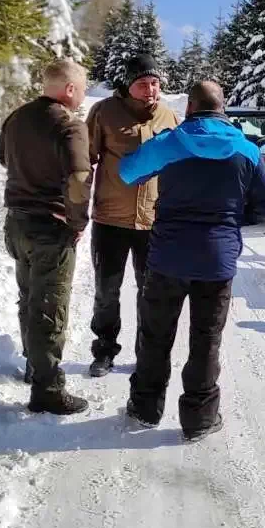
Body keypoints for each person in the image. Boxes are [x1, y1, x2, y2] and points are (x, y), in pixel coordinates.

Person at [118, 80, 265, 438]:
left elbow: (128, 172)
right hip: (216, 262)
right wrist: (233, 217)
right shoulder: (246, 149)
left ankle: (145, 408)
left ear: (189, 107)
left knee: (155, 334)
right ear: (223, 108)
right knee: (206, 340)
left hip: (167, 258)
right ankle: (199, 419)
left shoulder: (172, 141)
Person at [0, 59, 91, 415]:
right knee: (49, 306)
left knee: (29, 297)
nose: (82, 95)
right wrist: (78, 222)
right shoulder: (70, 126)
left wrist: (28, 168)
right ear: (69, 89)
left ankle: (34, 366)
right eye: (81, 88)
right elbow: (79, 179)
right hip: (50, 226)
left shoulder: (17, 118)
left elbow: (1, 155)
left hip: (17, 223)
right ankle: (47, 389)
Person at [86, 53, 179, 377]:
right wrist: (76, 208)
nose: (151, 90)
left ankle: (146, 354)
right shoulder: (104, 113)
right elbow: (86, 160)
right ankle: (104, 350)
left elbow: (177, 165)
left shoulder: (168, 116)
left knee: (150, 292)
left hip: (152, 221)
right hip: (110, 220)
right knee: (107, 290)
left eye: (155, 83)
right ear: (128, 85)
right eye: (143, 84)